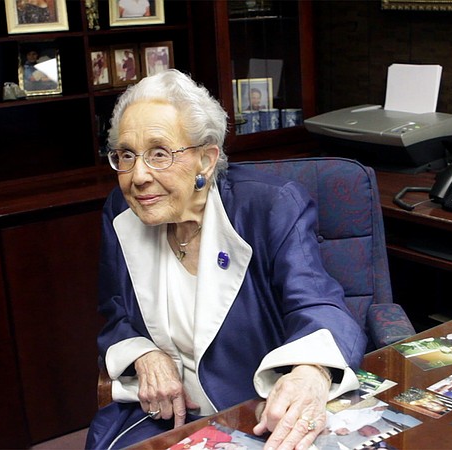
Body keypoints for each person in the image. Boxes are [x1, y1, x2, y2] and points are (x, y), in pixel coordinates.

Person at [85, 69, 367, 450]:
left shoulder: (269, 207)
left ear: (206, 158)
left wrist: (310, 373)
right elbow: (116, 313)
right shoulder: (122, 213)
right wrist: (145, 354)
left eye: (159, 154)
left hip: (256, 416)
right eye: (127, 155)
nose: (138, 176)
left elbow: (319, 304)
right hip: (164, 419)